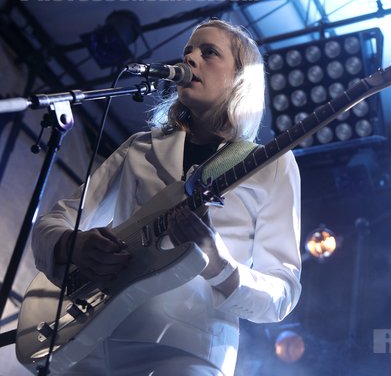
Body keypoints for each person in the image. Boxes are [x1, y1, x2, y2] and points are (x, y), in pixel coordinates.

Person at [30, 19, 302, 376]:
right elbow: (53, 222)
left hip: (191, 349)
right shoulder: (139, 147)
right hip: (92, 337)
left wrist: (218, 260)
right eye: (188, 50)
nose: (190, 58)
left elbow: (282, 292)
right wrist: (74, 245)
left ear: (241, 78)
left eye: (209, 53)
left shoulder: (270, 165)